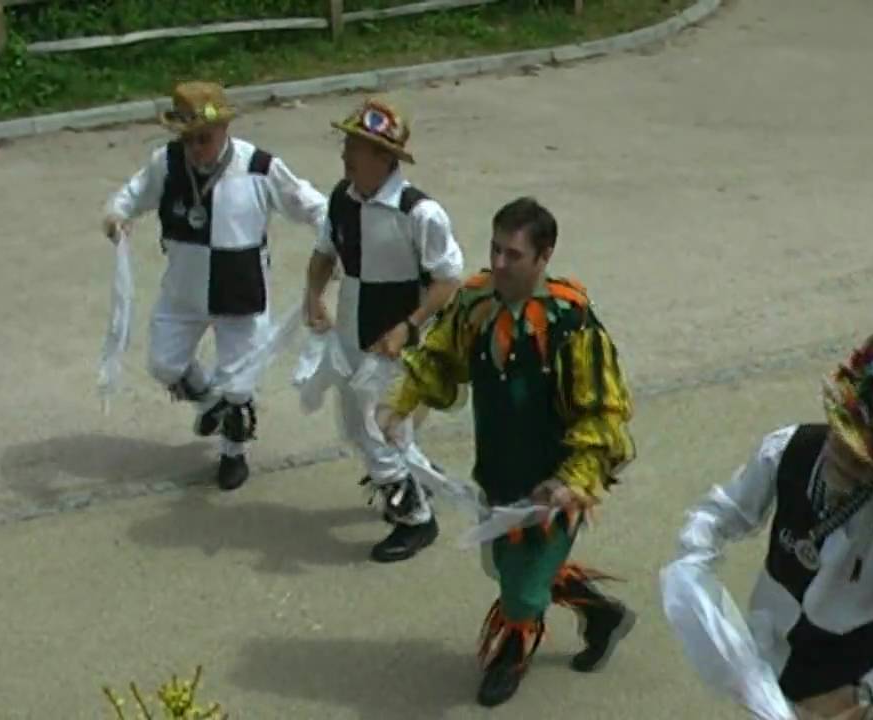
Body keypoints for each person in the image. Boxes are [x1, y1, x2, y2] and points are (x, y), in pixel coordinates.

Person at [377, 196, 638, 707]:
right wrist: (401, 404)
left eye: (512, 254)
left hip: (554, 481)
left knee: (520, 590)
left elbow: (601, 414)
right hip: (498, 471)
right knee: (508, 566)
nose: (498, 263)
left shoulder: (572, 322)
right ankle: (603, 615)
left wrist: (572, 480)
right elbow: (440, 358)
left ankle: (512, 652)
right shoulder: (475, 303)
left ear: (544, 256)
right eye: (494, 249)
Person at [659, 321, 873, 720]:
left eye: (865, 459)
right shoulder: (788, 449)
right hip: (768, 659)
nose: (846, 458)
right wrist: (693, 562)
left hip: (838, 690)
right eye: (843, 437)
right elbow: (722, 513)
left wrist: (865, 693)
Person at [101, 80, 327, 490]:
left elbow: (311, 204)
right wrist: (116, 215)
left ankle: (233, 452)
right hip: (183, 290)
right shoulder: (167, 163)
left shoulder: (259, 167)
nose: (195, 149)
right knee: (164, 364)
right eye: (187, 140)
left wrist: (336, 241)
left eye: (203, 139)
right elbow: (131, 195)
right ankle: (210, 402)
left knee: (239, 384)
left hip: (240, 291)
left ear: (225, 129)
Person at [304, 98, 465, 563]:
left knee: (378, 429)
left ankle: (414, 518)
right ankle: (414, 477)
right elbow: (325, 253)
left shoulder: (420, 214)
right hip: (352, 335)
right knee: (357, 426)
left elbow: (447, 281)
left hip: (396, 346)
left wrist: (408, 328)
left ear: (383, 156)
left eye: (354, 147)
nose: (345, 154)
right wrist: (313, 296)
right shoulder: (342, 198)